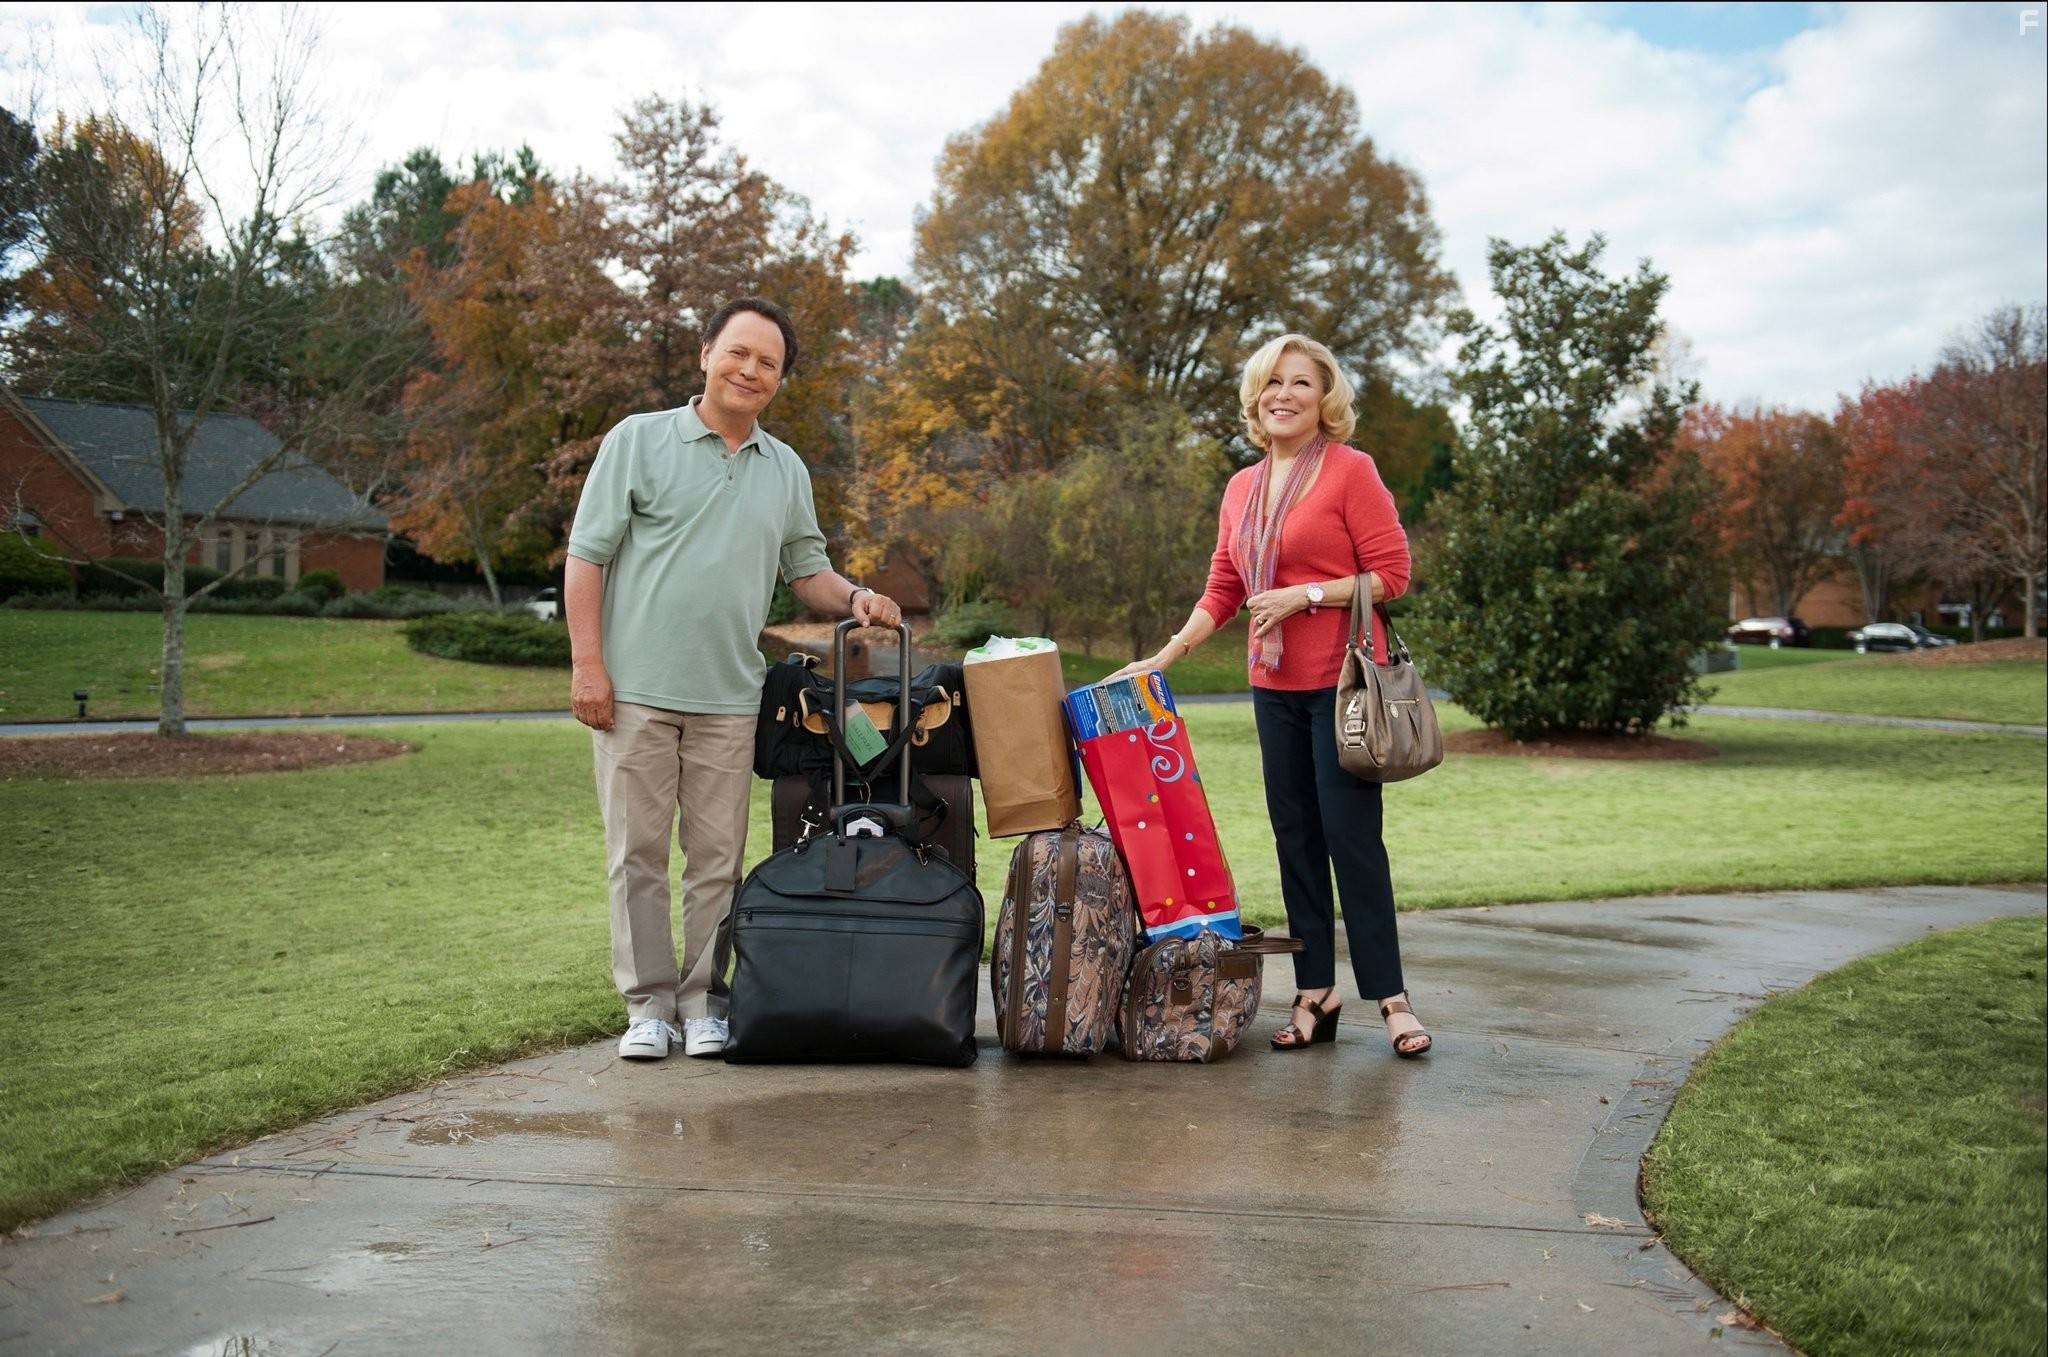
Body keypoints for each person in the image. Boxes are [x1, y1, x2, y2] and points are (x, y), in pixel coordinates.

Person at [565, 297, 902, 1061]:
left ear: (780, 380)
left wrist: (854, 597)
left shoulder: (784, 469)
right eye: (739, 352)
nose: (750, 370)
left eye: (768, 362)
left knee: (717, 860)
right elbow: (585, 558)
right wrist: (589, 664)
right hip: (635, 694)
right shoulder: (638, 441)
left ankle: (703, 999)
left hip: (730, 698)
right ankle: (648, 1006)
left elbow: (806, 570)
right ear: (707, 352)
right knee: (638, 855)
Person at [1113, 333, 1430, 1058]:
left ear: (1326, 401)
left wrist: (1306, 594)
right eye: (1271, 383)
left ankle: (1392, 996)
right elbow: (1225, 588)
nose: (1283, 395)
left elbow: (1393, 574)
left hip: (1344, 685)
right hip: (1273, 685)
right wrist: (1163, 656)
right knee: (1296, 839)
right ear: (1257, 399)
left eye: (1302, 384)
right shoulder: (1242, 488)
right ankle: (1316, 988)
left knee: (1352, 841)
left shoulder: (1352, 472)